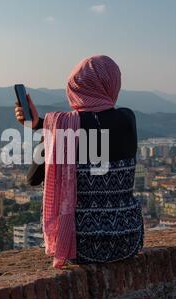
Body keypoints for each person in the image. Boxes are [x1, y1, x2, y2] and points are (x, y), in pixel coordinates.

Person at [14, 55, 144, 268]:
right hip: (128, 239)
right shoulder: (127, 118)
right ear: (112, 85)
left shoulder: (64, 129)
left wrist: (44, 127)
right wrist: (43, 124)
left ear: (73, 89)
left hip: (80, 246)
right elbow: (99, 127)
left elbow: (33, 178)